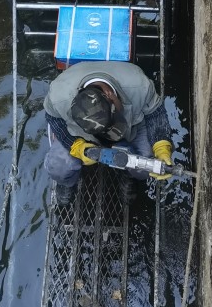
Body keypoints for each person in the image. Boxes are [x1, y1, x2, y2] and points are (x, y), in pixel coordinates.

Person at [43, 59, 174, 205]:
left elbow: (155, 114)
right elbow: (53, 119)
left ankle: (128, 173)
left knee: (147, 164)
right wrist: (75, 145)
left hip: (132, 125)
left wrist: (162, 146)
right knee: (58, 166)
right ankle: (67, 182)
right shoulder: (58, 96)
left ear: (109, 94)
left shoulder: (140, 86)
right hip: (82, 133)